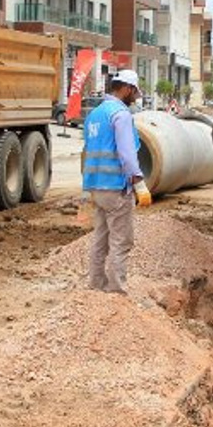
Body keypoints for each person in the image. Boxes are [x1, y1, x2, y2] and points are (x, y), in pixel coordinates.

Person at [82, 69, 151, 292]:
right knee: (121, 241)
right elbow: (127, 154)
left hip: (96, 186)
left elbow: (90, 149)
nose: (135, 98)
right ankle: (116, 291)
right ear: (127, 88)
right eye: (134, 92)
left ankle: (96, 284)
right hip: (115, 187)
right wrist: (139, 184)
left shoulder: (95, 114)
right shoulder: (120, 115)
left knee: (100, 238)